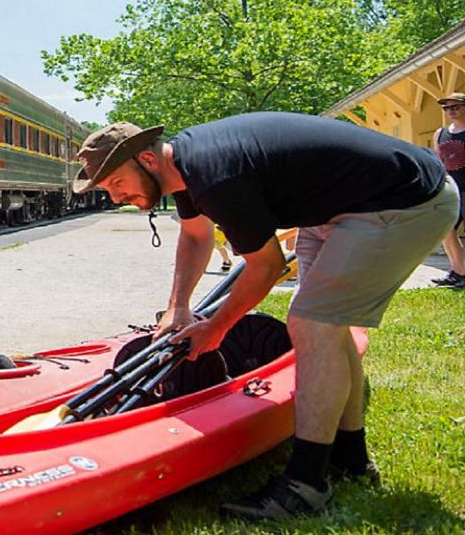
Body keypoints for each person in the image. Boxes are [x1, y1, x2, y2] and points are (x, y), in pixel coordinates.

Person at [72, 113, 455, 521]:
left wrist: (216, 328)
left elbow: (266, 267)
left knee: (314, 323)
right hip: (344, 207)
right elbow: (196, 235)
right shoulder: (183, 167)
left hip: (407, 201)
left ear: (147, 159)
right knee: (324, 323)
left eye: (117, 183)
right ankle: (351, 461)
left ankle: (305, 485)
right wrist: (178, 308)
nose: (115, 197)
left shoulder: (216, 177)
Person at [431, 92, 465, 287]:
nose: (450, 111)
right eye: (446, 108)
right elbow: (438, 161)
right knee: (446, 229)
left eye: (455, 107)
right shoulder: (440, 133)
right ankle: (458, 272)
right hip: (451, 188)